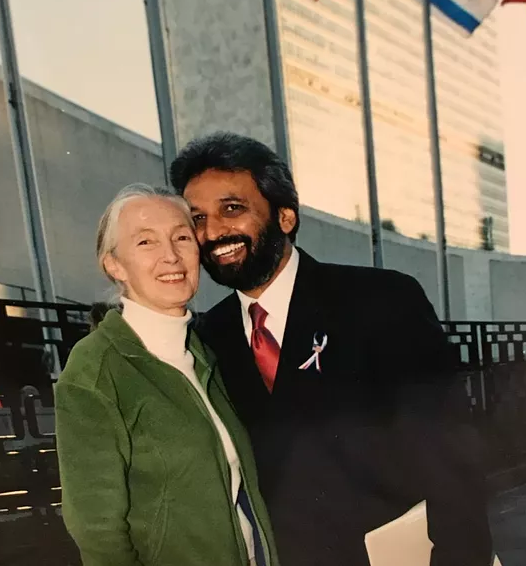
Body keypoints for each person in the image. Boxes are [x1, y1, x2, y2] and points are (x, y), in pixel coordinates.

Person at [171, 133, 494, 566]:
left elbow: (452, 463)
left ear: (285, 217)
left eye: (232, 209)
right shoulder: (208, 337)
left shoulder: (382, 301)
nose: (212, 232)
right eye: (198, 218)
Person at [54, 183, 279, 566]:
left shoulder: (208, 350)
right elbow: (96, 528)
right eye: (146, 243)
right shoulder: (95, 369)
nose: (171, 257)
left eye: (181, 238)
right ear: (114, 264)